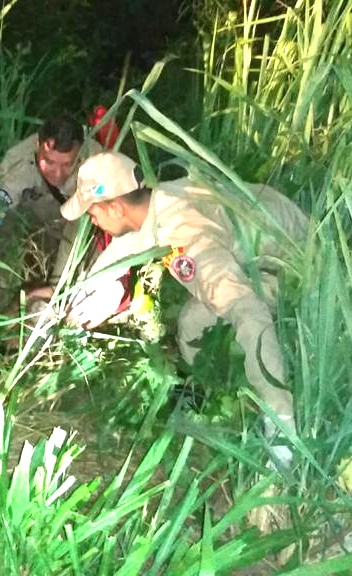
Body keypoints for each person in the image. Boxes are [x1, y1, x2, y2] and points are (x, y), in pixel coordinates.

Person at [61, 151, 307, 465]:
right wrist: (84, 295)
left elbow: (247, 310)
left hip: (296, 262)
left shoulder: (183, 235)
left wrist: (279, 415)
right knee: (192, 321)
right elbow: (127, 247)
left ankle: (281, 422)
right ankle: (210, 394)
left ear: (115, 207)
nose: (91, 220)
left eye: (92, 213)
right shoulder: (158, 202)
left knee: (232, 310)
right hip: (263, 237)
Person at [0, 116, 102, 312]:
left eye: (66, 164)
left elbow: (105, 200)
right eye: (49, 162)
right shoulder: (17, 162)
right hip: (36, 219)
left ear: (80, 152)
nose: (57, 173)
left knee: (79, 225)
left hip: (77, 221)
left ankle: (55, 293)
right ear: (38, 144)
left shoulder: (98, 161)